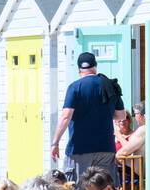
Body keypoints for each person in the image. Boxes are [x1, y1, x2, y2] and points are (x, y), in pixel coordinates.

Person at [51, 52, 125, 182]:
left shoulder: (75, 87)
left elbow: (65, 117)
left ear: (79, 69)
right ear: (95, 66)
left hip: (79, 149)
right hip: (105, 148)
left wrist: (55, 142)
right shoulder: (109, 85)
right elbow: (121, 115)